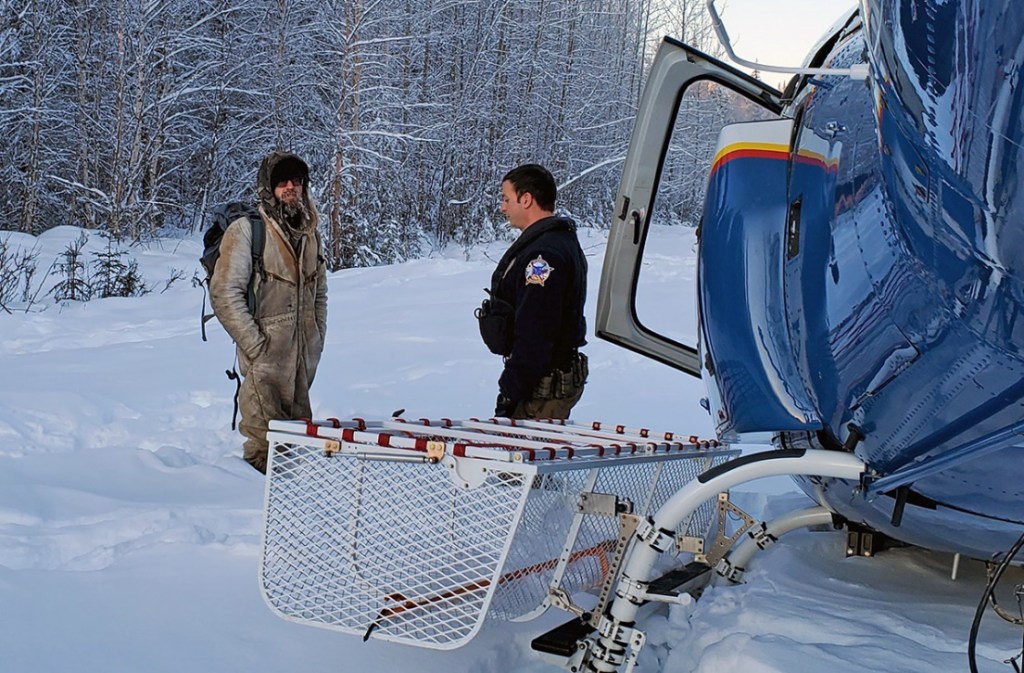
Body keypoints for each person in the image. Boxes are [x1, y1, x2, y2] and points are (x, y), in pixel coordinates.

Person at [210, 151, 328, 473]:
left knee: (300, 444)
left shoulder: (310, 233)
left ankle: (294, 515)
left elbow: (320, 292)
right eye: (282, 181)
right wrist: (255, 346)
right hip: (264, 362)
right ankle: (252, 515)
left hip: (302, 361)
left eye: (297, 180)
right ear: (269, 187)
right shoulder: (248, 231)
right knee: (263, 451)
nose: (290, 187)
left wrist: (316, 335)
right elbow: (224, 293)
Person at [478, 163, 588, 419]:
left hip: (540, 388)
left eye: (506, 199)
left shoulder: (543, 256)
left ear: (526, 199)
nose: (503, 207)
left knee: (523, 455)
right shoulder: (556, 242)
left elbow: (536, 328)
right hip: (540, 380)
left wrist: (511, 389)